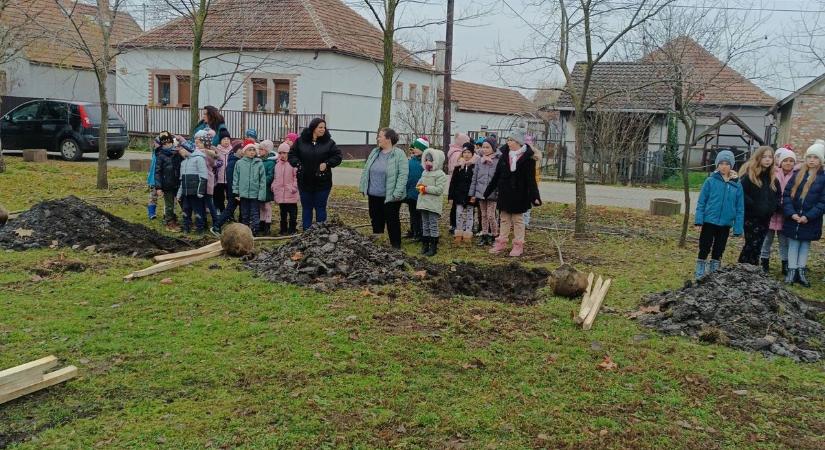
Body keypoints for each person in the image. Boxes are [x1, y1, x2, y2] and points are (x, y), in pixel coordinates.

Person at [483, 129, 542, 257]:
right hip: (505, 193)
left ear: (518, 142)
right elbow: (497, 175)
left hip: (520, 195)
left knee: (518, 220)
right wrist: (488, 191)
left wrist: (535, 196)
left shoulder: (528, 159)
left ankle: (518, 245)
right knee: (504, 219)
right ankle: (501, 242)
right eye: (508, 140)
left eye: (511, 140)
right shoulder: (505, 155)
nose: (508, 142)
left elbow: (531, 180)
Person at [693, 150, 744, 279]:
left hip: (725, 224)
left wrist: (738, 227)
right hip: (709, 221)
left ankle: (714, 270)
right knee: (705, 246)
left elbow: (740, 207)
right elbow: (701, 202)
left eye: (727, 163)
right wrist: (699, 220)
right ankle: (700, 268)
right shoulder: (710, 181)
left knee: (719, 248)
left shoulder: (736, 185)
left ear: (731, 166)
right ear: (717, 165)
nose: (724, 166)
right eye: (721, 163)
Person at [782, 140, 825, 287]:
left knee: (805, 246)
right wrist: (791, 213)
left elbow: (822, 202)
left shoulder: (823, 178)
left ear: (821, 160)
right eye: (810, 157)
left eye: (816, 157)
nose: (812, 160)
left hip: (810, 220)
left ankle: (801, 271)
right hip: (794, 217)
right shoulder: (797, 175)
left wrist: (808, 216)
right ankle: (791, 271)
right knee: (793, 244)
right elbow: (786, 195)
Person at [288, 118, 342, 230]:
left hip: (322, 182)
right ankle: (307, 233)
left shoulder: (329, 143)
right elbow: (292, 155)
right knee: (307, 208)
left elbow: (338, 156)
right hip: (304, 181)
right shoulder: (300, 141)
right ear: (313, 128)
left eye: (324, 127)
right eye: (320, 127)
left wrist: (327, 163)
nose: (323, 129)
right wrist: (298, 164)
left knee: (320, 207)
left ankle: (320, 233)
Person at [359, 127, 409, 249]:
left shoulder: (399, 154)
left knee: (392, 221)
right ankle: (378, 244)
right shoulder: (375, 152)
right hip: (374, 194)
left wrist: (397, 193)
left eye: (380, 136)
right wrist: (363, 186)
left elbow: (403, 175)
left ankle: (396, 246)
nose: (378, 138)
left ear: (388, 139)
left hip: (391, 196)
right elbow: (366, 170)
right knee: (375, 218)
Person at [736, 146, 778, 266]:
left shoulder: (772, 178)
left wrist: (772, 208)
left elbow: (776, 196)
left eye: (770, 157)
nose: (767, 160)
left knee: (759, 244)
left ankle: (754, 269)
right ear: (758, 158)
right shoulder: (749, 176)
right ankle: (742, 267)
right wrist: (754, 206)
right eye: (764, 157)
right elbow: (741, 194)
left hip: (765, 218)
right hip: (751, 217)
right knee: (751, 244)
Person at [760, 146, 797, 275]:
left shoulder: (796, 176)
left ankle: (785, 264)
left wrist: (787, 208)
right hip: (771, 213)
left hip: (785, 214)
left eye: (791, 161)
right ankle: (764, 261)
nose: (788, 163)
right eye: (785, 160)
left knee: (784, 241)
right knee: (767, 239)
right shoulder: (773, 173)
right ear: (780, 162)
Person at [416, 142, 448, 257]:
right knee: (425, 224)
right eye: (426, 160)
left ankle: (433, 247)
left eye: (430, 160)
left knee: (433, 224)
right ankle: (425, 245)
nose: (427, 162)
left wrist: (425, 189)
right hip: (423, 203)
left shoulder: (440, 174)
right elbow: (419, 184)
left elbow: (439, 190)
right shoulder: (424, 172)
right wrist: (419, 187)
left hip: (433, 205)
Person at [470, 138, 500, 246]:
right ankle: (485, 235)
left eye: (488, 147)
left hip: (492, 193)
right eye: (483, 147)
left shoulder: (497, 161)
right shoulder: (479, 161)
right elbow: (475, 177)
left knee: (491, 215)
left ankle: (495, 235)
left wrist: (498, 192)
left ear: (493, 148)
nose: (485, 149)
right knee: (483, 215)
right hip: (481, 192)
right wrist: (472, 193)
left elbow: (498, 178)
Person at [176, 134, 209, 234]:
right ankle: (186, 227)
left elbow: (204, 176)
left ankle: (200, 228)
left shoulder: (199, 159)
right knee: (186, 210)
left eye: (181, 150)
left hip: (196, 192)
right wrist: (179, 194)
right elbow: (182, 180)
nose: (180, 152)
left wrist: (200, 191)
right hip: (186, 192)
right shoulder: (183, 163)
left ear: (187, 149)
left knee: (198, 211)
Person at [232, 143, 268, 235]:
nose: (252, 152)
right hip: (243, 194)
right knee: (244, 214)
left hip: (255, 194)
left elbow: (262, 180)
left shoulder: (259, 163)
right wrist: (236, 192)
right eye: (249, 150)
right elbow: (236, 178)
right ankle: (245, 232)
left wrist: (261, 194)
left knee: (255, 213)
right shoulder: (239, 163)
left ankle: (255, 231)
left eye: (253, 150)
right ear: (244, 152)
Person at [212, 140, 245, 235]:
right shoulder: (232, 163)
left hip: (239, 191)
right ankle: (217, 226)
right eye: (241, 149)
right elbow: (231, 180)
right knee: (230, 209)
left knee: (241, 209)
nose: (243, 150)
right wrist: (235, 193)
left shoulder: (239, 161)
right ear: (236, 150)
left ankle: (241, 229)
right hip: (234, 192)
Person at [153, 131, 183, 231]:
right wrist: (158, 187)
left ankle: (185, 220)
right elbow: (157, 172)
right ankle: (169, 222)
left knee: (183, 202)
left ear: (172, 142)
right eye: (164, 143)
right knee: (169, 205)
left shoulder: (178, 153)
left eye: (168, 143)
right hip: (167, 184)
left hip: (179, 182)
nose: (167, 145)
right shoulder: (160, 155)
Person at [449, 146, 476, 243]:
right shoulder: (458, 167)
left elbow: (476, 181)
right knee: (459, 213)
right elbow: (453, 182)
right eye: (465, 152)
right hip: (459, 194)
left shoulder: (475, 166)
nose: (467, 155)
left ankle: (468, 232)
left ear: (472, 154)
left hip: (470, 194)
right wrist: (451, 196)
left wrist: (474, 195)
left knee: (469, 214)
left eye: (469, 152)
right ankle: (459, 232)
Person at [273, 143, 299, 235]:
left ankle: (292, 229)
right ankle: (283, 229)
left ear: (288, 153)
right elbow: (276, 178)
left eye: (284, 153)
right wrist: (274, 186)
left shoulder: (293, 164)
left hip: (290, 194)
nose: (282, 155)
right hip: (281, 195)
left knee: (293, 214)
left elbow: (296, 177)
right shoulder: (277, 165)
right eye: (280, 153)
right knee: (282, 214)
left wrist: (294, 188)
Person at [447, 133, 471, 232]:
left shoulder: (453, 151)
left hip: (455, 182)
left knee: (457, 206)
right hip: (458, 183)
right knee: (457, 206)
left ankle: (455, 224)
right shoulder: (458, 153)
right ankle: (456, 225)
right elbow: (455, 169)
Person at [403, 140, 425, 241]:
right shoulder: (410, 162)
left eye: (417, 148)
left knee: (419, 214)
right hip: (410, 192)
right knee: (412, 213)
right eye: (415, 148)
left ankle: (419, 233)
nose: (415, 149)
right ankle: (413, 230)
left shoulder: (425, 163)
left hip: (420, 193)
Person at [258, 140, 277, 235]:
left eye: (261, 149)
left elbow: (271, 175)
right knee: (260, 205)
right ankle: (261, 223)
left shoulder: (270, 162)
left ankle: (267, 224)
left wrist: (262, 181)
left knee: (267, 205)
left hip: (266, 187)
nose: (259, 151)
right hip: (259, 187)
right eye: (259, 149)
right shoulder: (258, 160)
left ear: (267, 150)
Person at [213, 135, 233, 214]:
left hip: (229, 179)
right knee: (219, 197)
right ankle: (221, 212)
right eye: (224, 139)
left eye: (228, 139)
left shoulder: (232, 151)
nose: (226, 141)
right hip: (219, 179)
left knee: (230, 198)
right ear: (220, 141)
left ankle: (229, 214)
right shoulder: (216, 151)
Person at [146, 134, 162, 220]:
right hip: (153, 179)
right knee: (153, 196)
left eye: (156, 143)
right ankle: (151, 213)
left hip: (161, 179)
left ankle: (167, 213)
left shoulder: (161, 153)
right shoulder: (154, 152)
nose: (154, 144)